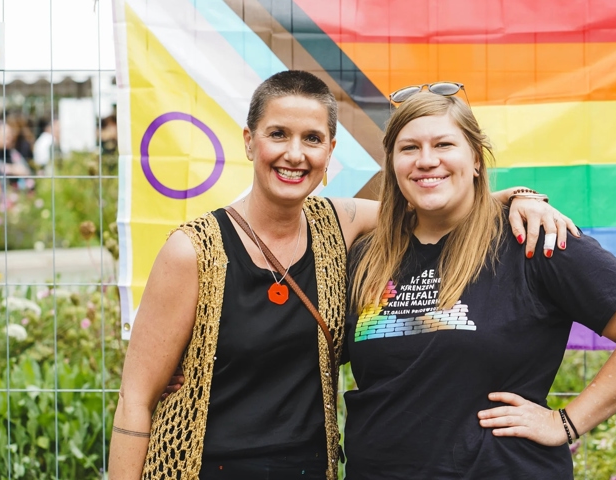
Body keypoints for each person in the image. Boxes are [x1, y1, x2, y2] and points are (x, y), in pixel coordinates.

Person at [108, 71, 577, 480]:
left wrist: (517, 199)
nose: (295, 154)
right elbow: (134, 399)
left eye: (312, 139)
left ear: (330, 150)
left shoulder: (339, 224)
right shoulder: (195, 251)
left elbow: (427, 204)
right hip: (207, 468)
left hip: (312, 468)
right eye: (278, 134)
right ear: (249, 140)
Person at [343, 91, 616, 478]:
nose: (426, 160)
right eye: (409, 148)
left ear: (474, 158)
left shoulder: (533, 237)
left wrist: (566, 423)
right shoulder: (368, 256)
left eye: (443, 144)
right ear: (392, 163)